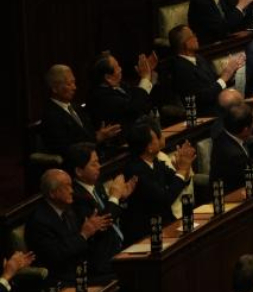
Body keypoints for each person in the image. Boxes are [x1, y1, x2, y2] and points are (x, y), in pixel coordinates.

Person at [25, 169, 107, 287]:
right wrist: (84, 235)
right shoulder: (39, 221)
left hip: (83, 270)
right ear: (52, 193)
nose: (72, 191)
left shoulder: (69, 210)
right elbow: (56, 255)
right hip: (61, 279)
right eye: (67, 187)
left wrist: (94, 229)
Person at [64, 142, 133, 281]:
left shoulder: (97, 185)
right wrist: (114, 196)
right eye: (93, 164)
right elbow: (103, 223)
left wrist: (121, 199)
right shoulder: (76, 197)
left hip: (118, 249)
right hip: (101, 263)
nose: (99, 167)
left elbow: (112, 214)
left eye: (98, 162)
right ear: (79, 171)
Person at [122, 123, 196, 241]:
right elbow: (164, 199)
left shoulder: (155, 162)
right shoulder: (135, 170)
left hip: (165, 221)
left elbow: (179, 181)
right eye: (156, 138)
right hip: (147, 231)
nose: (160, 139)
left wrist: (185, 167)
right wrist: (182, 170)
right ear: (149, 147)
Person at [41, 64, 121, 159]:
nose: (74, 87)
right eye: (69, 84)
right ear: (54, 88)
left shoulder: (76, 107)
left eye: (74, 82)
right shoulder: (51, 115)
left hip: (95, 155)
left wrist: (102, 134)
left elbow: (88, 134)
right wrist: (97, 138)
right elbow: (66, 148)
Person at [211, 101, 253, 192]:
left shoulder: (224, 134)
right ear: (245, 129)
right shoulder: (233, 154)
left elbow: (251, 161)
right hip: (231, 197)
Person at [87, 52, 155, 138]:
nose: (121, 69)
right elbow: (134, 109)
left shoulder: (121, 85)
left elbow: (143, 103)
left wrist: (147, 75)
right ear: (108, 77)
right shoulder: (101, 97)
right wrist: (145, 77)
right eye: (117, 67)